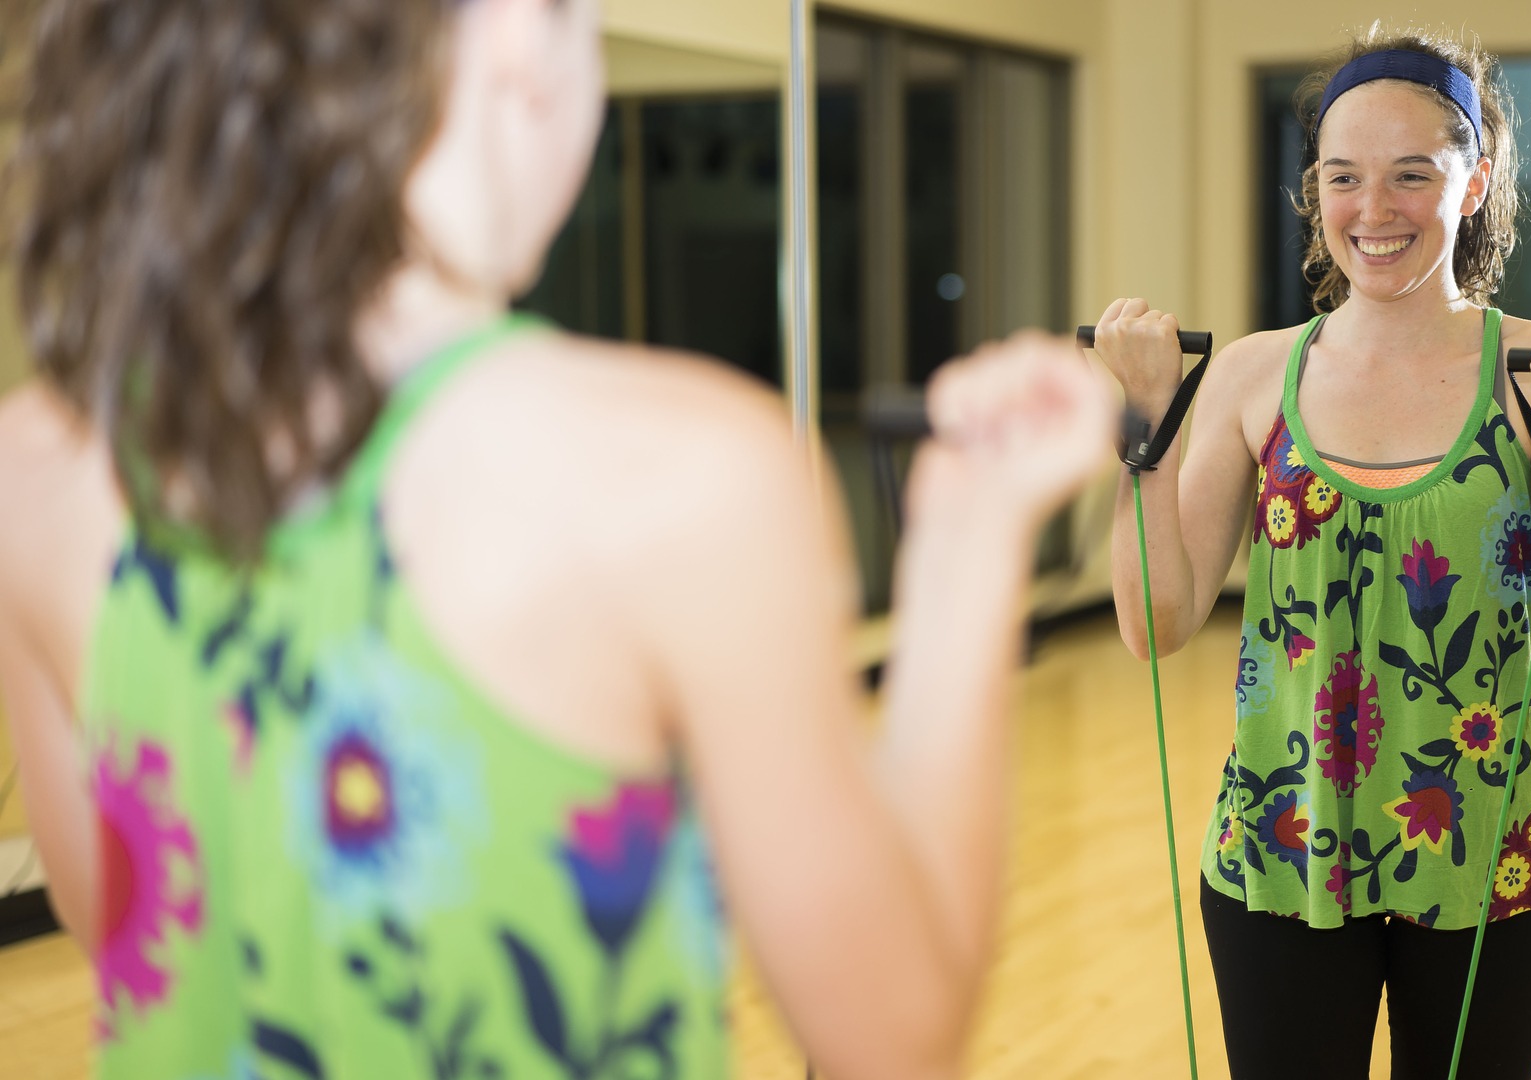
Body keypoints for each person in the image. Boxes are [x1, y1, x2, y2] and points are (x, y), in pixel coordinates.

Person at [0, 2, 1113, 1078]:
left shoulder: (30, 470)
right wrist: (970, 540)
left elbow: (122, 921)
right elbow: (895, 1033)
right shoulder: (680, 473)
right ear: (521, 39)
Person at [1092, 24, 1531, 1080]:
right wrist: (1149, 422)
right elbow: (1153, 623)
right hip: (1283, 851)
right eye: (1343, 177)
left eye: (1410, 175)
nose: (1372, 210)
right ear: (1315, 192)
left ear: (1473, 184)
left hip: (1494, 861)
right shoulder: (1257, 379)